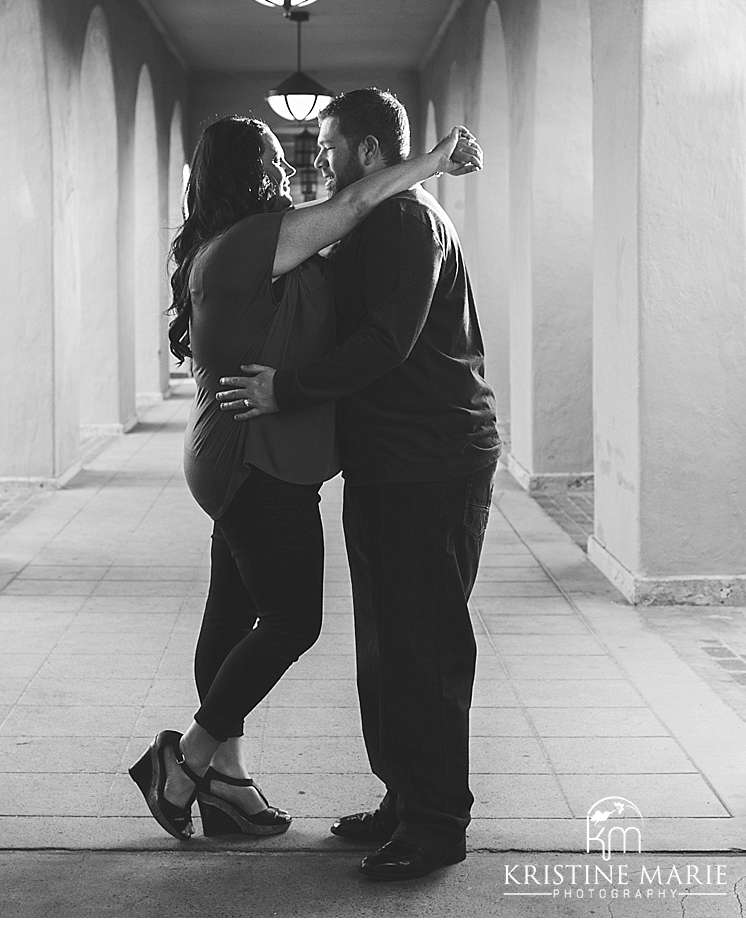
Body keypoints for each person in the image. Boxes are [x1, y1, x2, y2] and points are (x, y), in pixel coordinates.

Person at [128, 112, 481, 843]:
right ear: (244, 173)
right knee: (294, 619)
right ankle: (186, 760)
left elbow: (343, 231)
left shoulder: (249, 243)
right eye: (272, 155)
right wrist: (434, 159)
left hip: (235, 452)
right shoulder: (252, 242)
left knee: (231, 611)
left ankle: (227, 783)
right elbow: (351, 207)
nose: (290, 167)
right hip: (252, 459)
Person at [217, 88, 500, 881]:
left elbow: (386, 341)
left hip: (434, 463)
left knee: (425, 644)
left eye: (332, 147)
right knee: (385, 644)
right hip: (390, 463)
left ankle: (437, 824)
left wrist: (289, 389)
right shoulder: (376, 219)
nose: (321, 161)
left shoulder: (408, 222)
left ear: (370, 152)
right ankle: (404, 796)